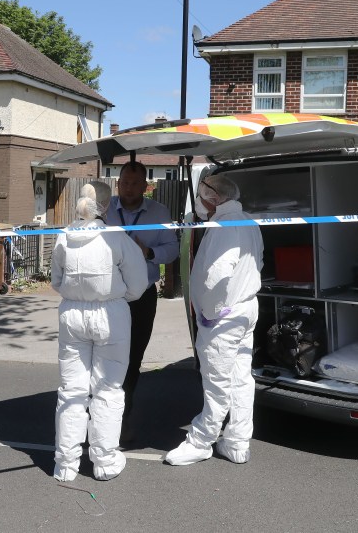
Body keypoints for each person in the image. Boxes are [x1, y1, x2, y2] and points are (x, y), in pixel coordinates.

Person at [164, 173, 263, 466]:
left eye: (202, 196)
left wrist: (210, 312)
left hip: (224, 317)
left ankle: (201, 441)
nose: (199, 202)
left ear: (214, 198)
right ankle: (237, 441)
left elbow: (218, 274)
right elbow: (258, 261)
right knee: (241, 378)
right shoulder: (248, 222)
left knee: (217, 383)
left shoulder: (224, 227)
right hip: (245, 310)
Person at [52, 182, 147, 482]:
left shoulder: (62, 238)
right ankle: (104, 461)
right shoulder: (116, 238)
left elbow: (56, 280)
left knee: (71, 389)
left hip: (71, 315)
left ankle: (65, 464)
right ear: (107, 206)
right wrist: (114, 296)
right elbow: (138, 284)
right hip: (111, 315)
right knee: (107, 389)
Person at [109, 162, 180, 431]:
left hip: (142, 296)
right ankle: (103, 413)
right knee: (106, 354)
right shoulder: (104, 211)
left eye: (135, 183)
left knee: (133, 356)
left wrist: (148, 253)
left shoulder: (159, 212)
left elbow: (172, 250)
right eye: (124, 182)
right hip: (110, 295)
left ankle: (123, 415)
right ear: (118, 184)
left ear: (146, 186)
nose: (128, 188)